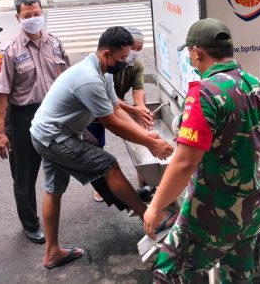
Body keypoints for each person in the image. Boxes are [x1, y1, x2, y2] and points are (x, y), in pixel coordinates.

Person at [143, 18, 260, 283]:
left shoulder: (204, 93)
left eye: (191, 53)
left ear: (197, 53)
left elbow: (184, 163)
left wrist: (155, 207)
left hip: (210, 215)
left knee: (166, 275)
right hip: (252, 210)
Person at [30, 26, 175, 269]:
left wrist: (146, 135)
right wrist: (151, 143)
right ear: (107, 54)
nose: (125, 62)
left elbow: (117, 110)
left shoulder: (104, 72)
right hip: (54, 137)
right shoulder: (89, 78)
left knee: (54, 189)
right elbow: (111, 123)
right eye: (121, 58)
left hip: (47, 133)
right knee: (109, 165)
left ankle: (52, 252)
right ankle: (150, 218)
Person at [0, 0, 70, 245]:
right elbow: (1, 95)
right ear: (18, 18)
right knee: (24, 176)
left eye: (37, 13)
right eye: (28, 16)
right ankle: (30, 224)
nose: (34, 19)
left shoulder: (55, 44)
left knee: (70, 160)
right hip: (24, 118)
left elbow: (68, 79)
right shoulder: (8, 52)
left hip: (54, 115)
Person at [87, 26, 153, 202]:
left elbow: (137, 90)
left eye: (139, 49)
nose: (135, 53)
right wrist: (133, 111)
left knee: (137, 140)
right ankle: (104, 189)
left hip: (116, 108)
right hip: (94, 114)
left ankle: (144, 182)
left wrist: (141, 109)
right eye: (133, 50)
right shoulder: (107, 66)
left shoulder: (135, 65)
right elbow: (110, 101)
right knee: (97, 153)